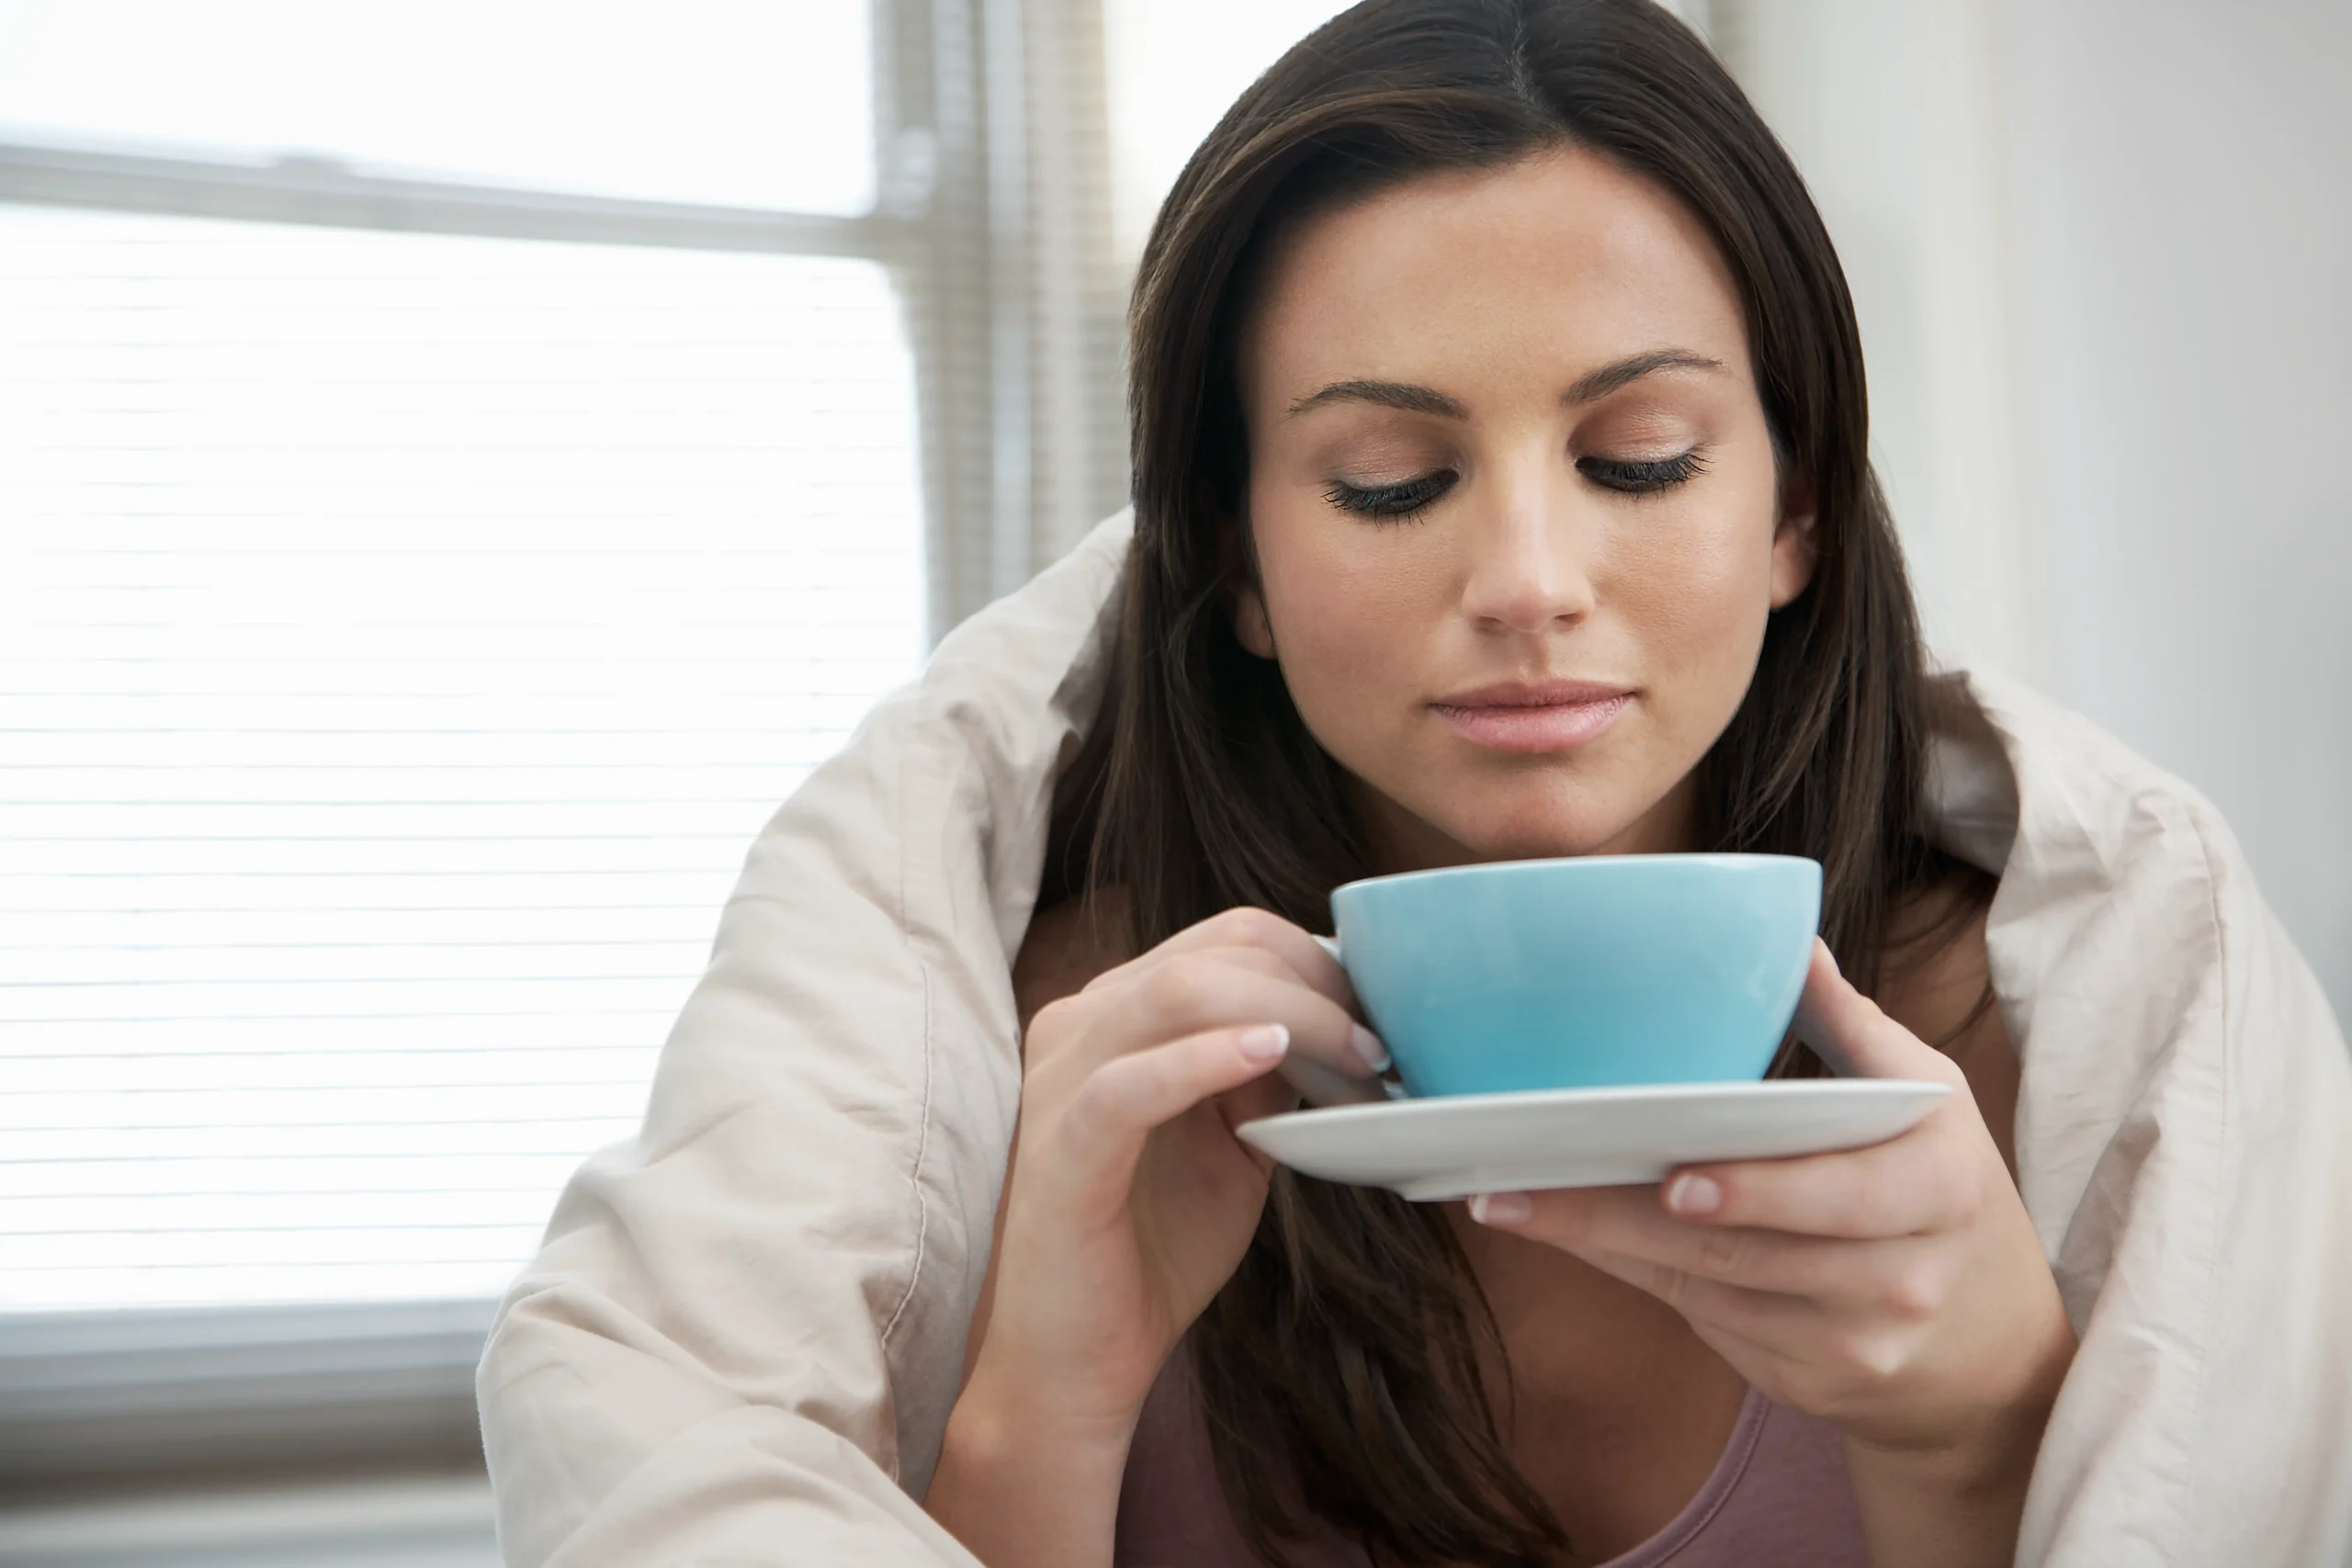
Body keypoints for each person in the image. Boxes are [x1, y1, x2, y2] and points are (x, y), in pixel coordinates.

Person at [475, 4, 2352, 1566]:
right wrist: (1043, 1398)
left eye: (1637, 455)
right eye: (1388, 479)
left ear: (1790, 508)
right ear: (1228, 560)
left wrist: (1970, 1427)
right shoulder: (1055, 1060)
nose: (1528, 577)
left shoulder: (2044, 1038)